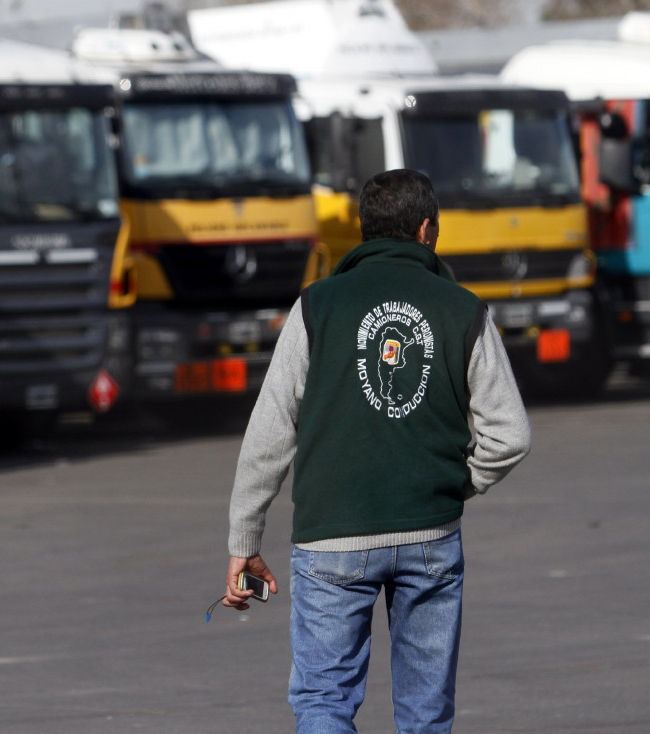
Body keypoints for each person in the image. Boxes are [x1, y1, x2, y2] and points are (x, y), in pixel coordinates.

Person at [221, 168, 532, 733]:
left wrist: (245, 538)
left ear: (364, 233)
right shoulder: (463, 309)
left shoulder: (316, 307)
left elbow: (268, 434)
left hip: (330, 539)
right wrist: (455, 482)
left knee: (323, 703)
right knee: (425, 713)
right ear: (427, 231)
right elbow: (510, 434)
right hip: (430, 536)